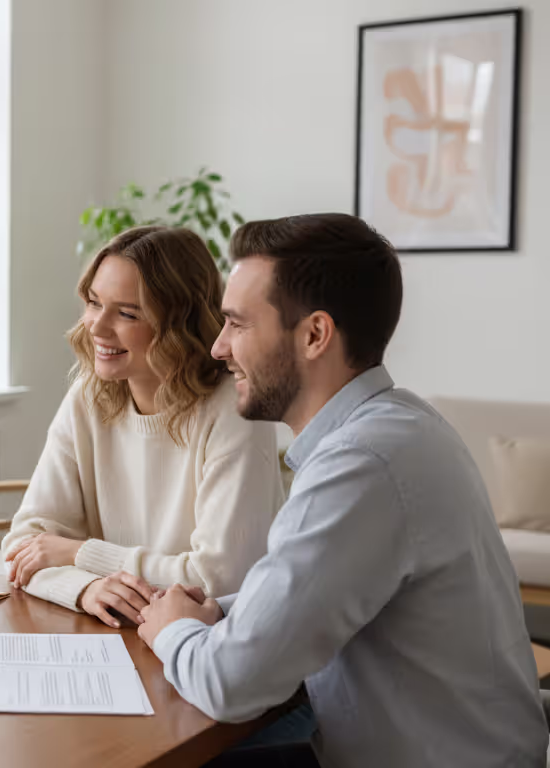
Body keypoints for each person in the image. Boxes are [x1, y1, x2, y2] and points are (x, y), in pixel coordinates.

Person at [137, 213, 547, 767]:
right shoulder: (401, 424)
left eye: (237, 324)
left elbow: (230, 684)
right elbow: (310, 591)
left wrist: (173, 630)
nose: (217, 348)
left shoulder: (362, 465)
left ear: (314, 335)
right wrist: (217, 611)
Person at [1, 226, 284, 627]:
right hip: (114, 632)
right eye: (94, 302)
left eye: (127, 313)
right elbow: (23, 546)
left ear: (179, 324)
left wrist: (81, 555)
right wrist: (86, 589)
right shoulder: (88, 397)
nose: (96, 327)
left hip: (209, 649)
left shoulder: (235, 409)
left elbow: (218, 579)